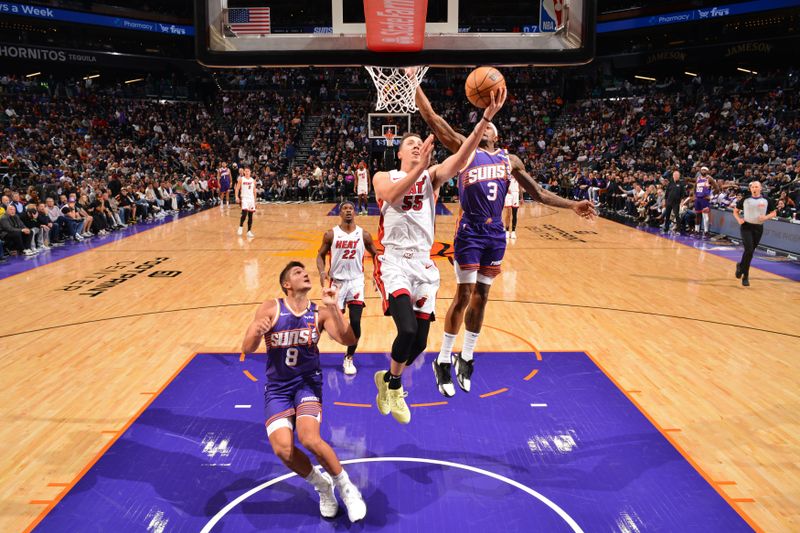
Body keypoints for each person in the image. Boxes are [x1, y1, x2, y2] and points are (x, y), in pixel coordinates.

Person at [415, 80, 596, 398]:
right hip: (470, 232)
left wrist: (573, 205)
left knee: (482, 299)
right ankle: (443, 359)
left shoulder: (509, 161)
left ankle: (466, 357)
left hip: (495, 235)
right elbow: (432, 118)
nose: (484, 131)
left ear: (497, 135)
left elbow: (538, 193)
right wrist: (413, 84)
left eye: (489, 128)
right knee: (464, 294)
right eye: (481, 127)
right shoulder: (464, 149)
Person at [372, 87, 507, 424]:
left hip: (424, 265)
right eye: (410, 144)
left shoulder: (432, 176)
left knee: (418, 342)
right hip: (395, 263)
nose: (417, 145)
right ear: (399, 153)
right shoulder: (384, 176)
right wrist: (420, 170)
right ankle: (395, 386)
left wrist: (486, 118)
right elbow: (390, 195)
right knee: (405, 332)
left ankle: (388, 381)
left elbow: (462, 156)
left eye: (420, 143)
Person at [241, 261, 367, 521]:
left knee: (309, 438)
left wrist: (334, 308)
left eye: (305, 272)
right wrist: (256, 332)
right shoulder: (271, 308)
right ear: (287, 284)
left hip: (307, 384)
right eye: (298, 273)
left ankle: (347, 488)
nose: (305, 274)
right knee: (283, 449)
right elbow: (248, 347)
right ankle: (323, 487)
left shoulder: (319, 313)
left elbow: (349, 340)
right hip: (278, 388)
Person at [316, 201, 379, 375]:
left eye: (351, 208)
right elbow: (320, 255)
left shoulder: (364, 235)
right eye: (345, 208)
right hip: (336, 283)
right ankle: (310, 353)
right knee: (330, 322)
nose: (348, 211)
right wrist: (322, 272)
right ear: (340, 213)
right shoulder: (331, 234)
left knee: (356, 321)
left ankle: (349, 357)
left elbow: (376, 255)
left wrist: (377, 274)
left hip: (356, 282)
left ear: (355, 212)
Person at [733, 181, 777, 287]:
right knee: (748, 249)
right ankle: (746, 276)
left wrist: (766, 217)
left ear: (760, 188)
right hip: (746, 227)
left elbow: (774, 213)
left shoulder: (766, 200)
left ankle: (741, 266)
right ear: (750, 188)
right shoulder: (745, 199)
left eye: (756, 187)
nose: (754, 188)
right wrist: (739, 219)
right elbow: (735, 211)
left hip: (758, 228)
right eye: (752, 187)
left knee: (750, 252)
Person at [693, 166, 718, 237]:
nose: (703, 171)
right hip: (698, 199)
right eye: (702, 170)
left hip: (704, 199)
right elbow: (695, 188)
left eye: (705, 170)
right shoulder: (698, 178)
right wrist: (695, 196)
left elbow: (717, 188)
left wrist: (711, 196)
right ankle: (696, 230)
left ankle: (706, 231)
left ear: (707, 171)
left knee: (705, 216)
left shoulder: (709, 178)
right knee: (697, 215)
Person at [235, 165, 256, 238]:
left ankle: (249, 231)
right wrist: (236, 196)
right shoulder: (241, 179)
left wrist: (255, 201)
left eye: (248, 171)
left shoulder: (253, 180)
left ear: (250, 172)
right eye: (245, 171)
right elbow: (237, 188)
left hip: (251, 199)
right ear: (244, 172)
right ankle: (240, 226)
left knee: (250, 216)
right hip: (244, 198)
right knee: (244, 214)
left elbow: (254, 191)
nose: (247, 172)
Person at [503, 174, 520, 239]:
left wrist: (521, 197)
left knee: (514, 214)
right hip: (509, 194)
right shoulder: (507, 172)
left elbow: (520, 186)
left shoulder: (518, 174)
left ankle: (513, 232)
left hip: (516, 194)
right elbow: (504, 183)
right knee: (508, 214)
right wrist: (506, 189)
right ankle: (507, 231)